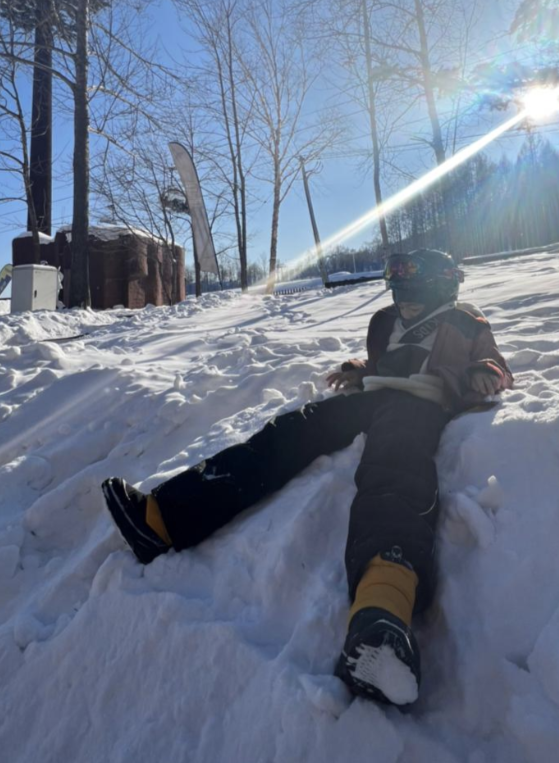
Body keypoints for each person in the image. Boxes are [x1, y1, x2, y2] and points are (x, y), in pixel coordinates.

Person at [102, 249, 513, 707]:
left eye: (413, 298)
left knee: (395, 466)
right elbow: (384, 364)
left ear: (442, 287)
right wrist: (359, 371)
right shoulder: (384, 321)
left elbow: (494, 362)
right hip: (372, 400)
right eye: (400, 297)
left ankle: (383, 609)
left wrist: (484, 374)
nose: (405, 307)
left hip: (421, 406)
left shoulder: (465, 320)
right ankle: (164, 518)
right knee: (290, 432)